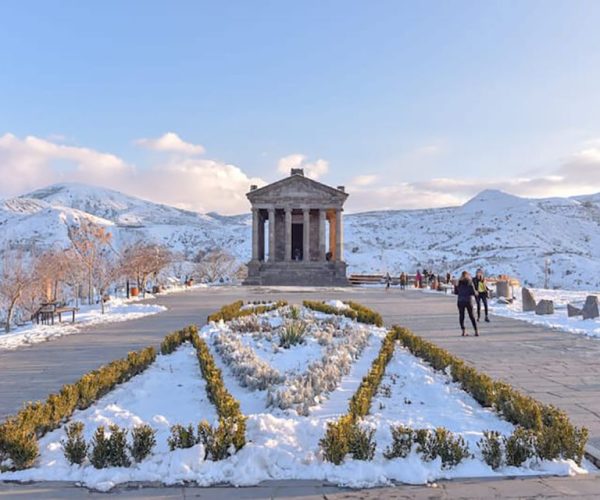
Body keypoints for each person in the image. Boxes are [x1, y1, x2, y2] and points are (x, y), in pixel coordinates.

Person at [454, 271, 479, 336]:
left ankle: (463, 331)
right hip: (468, 300)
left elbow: (456, 292)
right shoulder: (470, 282)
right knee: (471, 316)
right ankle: (476, 331)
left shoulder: (458, 282)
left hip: (460, 301)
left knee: (461, 316)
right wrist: (476, 293)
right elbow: (473, 292)